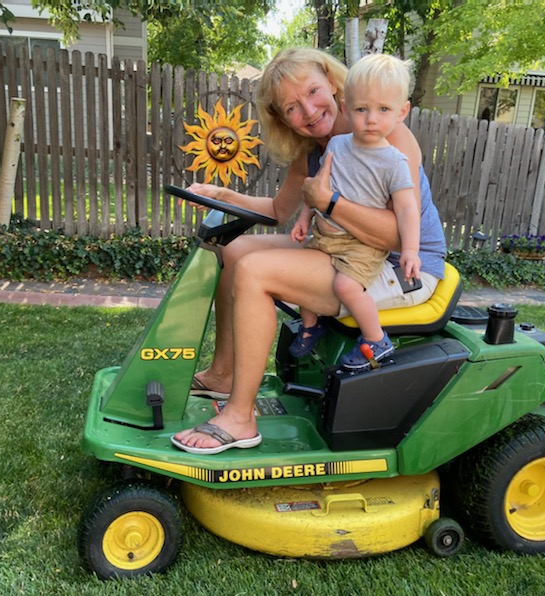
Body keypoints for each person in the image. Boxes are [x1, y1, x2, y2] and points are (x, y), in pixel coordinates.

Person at [172, 48, 446, 454]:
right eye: (292, 107)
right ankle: (225, 375)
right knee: (235, 250)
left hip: (399, 266)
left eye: (313, 92)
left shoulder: (387, 134)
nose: (310, 110)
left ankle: (240, 418)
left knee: (255, 271)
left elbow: (394, 235)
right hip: (342, 248)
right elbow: (280, 211)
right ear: (283, 119)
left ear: (332, 82)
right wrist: (220, 193)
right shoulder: (314, 150)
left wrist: (329, 202)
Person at [288, 54, 420, 370]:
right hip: (324, 234)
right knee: (301, 277)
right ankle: (311, 326)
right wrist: (304, 217)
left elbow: (407, 208)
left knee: (345, 287)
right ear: (346, 108)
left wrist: (411, 251)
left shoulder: (394, 161)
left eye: (383, 109)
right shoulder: (336, 146)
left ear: (402, 112)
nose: (371, 119)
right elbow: (318, 189)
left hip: (362, 246)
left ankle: (376, 340)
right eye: (362, 109)